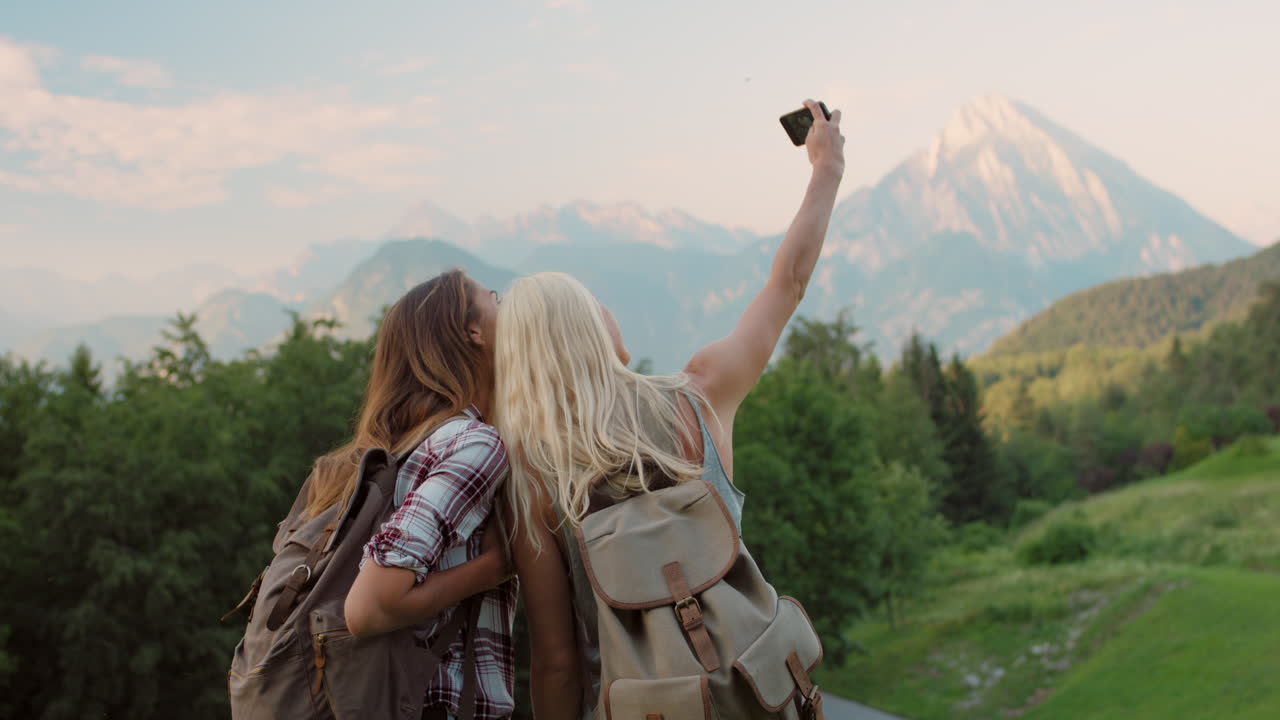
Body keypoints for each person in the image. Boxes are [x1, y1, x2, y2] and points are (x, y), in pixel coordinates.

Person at [492, 99, 845, 719]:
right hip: (754, 694)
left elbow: (556, 661)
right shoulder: (700, 395)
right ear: (587, 331)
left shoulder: (533, 474)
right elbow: (786, 282)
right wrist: (826, 169)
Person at [315, 269, 517, 720]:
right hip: (432, 704)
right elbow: (369, 608)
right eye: (496, 300)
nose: (508, 311)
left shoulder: (381, 451)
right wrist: (496, 567)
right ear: (473, 332)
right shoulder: (473, 444)